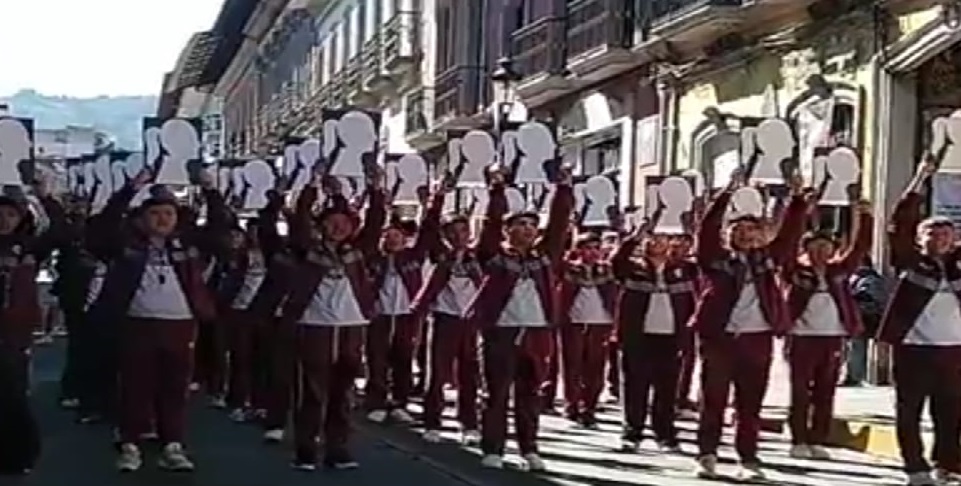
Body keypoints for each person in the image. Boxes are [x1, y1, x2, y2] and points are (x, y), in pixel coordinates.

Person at [89, 170, 219, 472]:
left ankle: (172, 444)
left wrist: (209, 189)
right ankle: (130, 444)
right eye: (155, 213)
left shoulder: (188, 246)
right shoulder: (126, 246)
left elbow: (220, 230)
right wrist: (131, 188)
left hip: (181, 324)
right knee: (135, 385)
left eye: (168, 213)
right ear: (142, 218)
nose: (162, 219)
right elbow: (102, 227)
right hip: (138, 323)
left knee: (175, 387)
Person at [691, 172, 813, 481]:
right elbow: (706, 230)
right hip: (720, 339)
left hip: (757, 340)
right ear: (729, 234)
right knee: (713, 399)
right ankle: (706, 454)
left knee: (750, 403)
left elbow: (789, 235)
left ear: (761, 234)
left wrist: (796, 199)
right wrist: (726, 193)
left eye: (752, 229)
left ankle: (748, 458)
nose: (746, 234)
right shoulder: (715, 259)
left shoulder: (768, 259)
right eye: (739, 229)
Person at [468, 165, 573, 472]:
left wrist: (564, 189)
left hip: (537, 334)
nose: (528, 229)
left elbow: (558, 226)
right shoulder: (494, 256)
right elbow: (489, 229)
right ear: (508, 230)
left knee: (530, 396)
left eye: (531, 225)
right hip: (501, 334)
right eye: (520, 224)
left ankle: (530, 448)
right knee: (496, 394)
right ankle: (493, 448)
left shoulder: (545, 258)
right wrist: (497, 189)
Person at [877, 160, 961, 486]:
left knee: (951, 412)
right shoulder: (909, 260)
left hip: (954, 351)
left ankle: (948, 463)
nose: (938, 238)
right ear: (919, 238)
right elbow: (899, 222)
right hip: (914, 350)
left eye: (945, 233)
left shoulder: (957, 265)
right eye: (931, 233)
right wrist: (921, 177)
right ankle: (915, 466)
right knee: (910, 411)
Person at [782, 201, 873, 460]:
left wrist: (863, 215)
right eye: (814, 248)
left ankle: (817, 439)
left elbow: (859, 247)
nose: (820, 252)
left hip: (832, 339)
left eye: (825, 247)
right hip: (801, 339)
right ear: (806, 250)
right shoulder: (795, 272)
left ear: (833, 250)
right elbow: (785, 247)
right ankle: (798, 438)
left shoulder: (839, 272)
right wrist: (799, 209)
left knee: (825, 391)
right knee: (800, 391)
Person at [844, 255, 886, 386]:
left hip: (863, 317)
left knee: (857, 347)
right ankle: (856, 375)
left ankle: (856, 376)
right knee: (856, 347)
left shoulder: (867, 278)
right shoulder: (866, 277)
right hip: (865, 316)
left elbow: (866, 296)